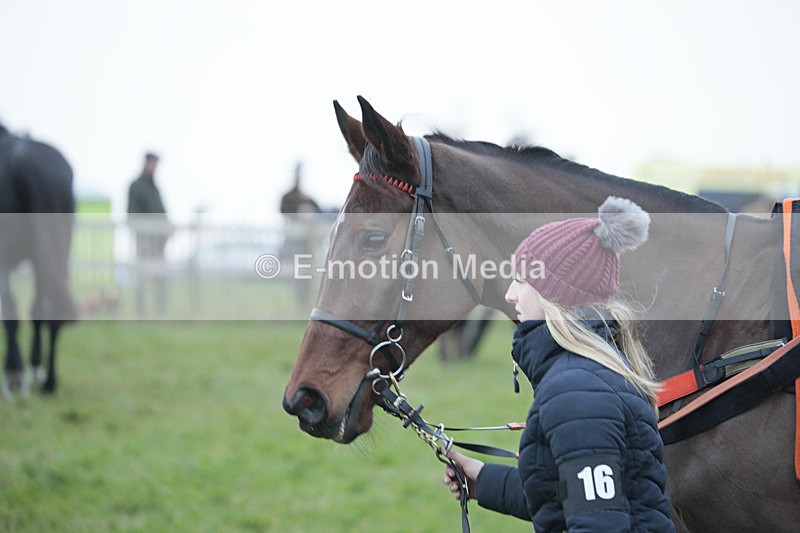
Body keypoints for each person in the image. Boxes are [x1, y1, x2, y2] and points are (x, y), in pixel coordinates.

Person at [443, 196, 675, 532]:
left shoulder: (576, 394)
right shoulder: (587, 376)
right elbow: (571, 496)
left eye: (522, 279)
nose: (510, 294)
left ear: (555, 293)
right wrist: (483, 480)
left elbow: (598, 524)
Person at [127, 152, 173, 317]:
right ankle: (141, 312)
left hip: (159, 243)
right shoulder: (136, 187)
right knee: (142, 279)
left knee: (161, 279)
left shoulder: (155, 188)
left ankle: (160, 312)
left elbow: (161, 212)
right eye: (153, 163)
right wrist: (141, 238)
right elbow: (132, 215)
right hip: (144, 242)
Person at [279, 162, 321, 311]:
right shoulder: (288, 198)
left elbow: (318, 214)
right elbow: (284, 213)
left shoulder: (309, 199)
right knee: (297, 274)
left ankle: (305, 304)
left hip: (306, 245)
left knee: (307, 274)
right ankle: (299, 304)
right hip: (294, 243)